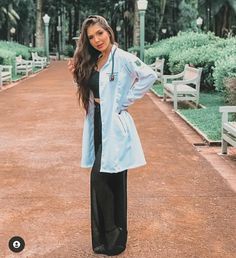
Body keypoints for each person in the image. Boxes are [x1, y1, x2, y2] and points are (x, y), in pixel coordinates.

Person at [68, 15, 157, 256]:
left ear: (109, 31)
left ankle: (113, 232)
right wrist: (77, 71)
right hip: (97, 122)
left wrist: (125, 100)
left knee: (100, 178)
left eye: (100, 33)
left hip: (114, 126)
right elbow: (91, 87)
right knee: (105, 179)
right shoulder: (95, 60)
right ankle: (111, 235)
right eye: (91, 37)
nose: (97, 39)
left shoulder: (124, 58)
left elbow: (149, 76)